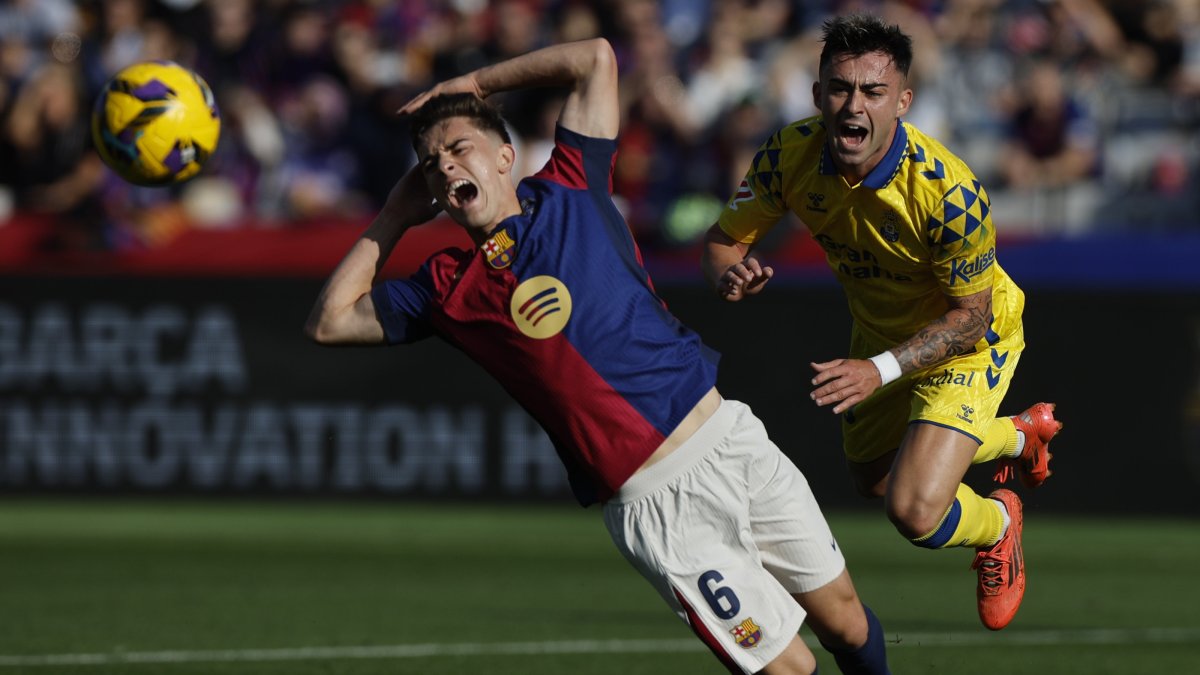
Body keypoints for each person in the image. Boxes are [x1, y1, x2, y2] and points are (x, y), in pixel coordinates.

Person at [306, 38, 890, 675]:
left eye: (457, 149)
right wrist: (393, 213)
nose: (444, 167)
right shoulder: (443, 286)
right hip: (657, 503)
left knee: (847, 621)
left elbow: (596, 58)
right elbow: (328, 323)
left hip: (730, 438)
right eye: (429, 162)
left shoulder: (569, 186)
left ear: (506, 157)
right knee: (790, 671)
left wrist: (474, 84)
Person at [701, 14, 1063, 632]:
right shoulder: (790, 153)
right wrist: (731, 274)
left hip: (969, 339)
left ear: (902, 102)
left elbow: (970, 319)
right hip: (878, 335)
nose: (853, 106)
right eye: (840, 88)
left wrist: (880, 369)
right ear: (817, 95)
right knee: (872, 481)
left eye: (872, 92)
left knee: (914, 510)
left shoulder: (948, 191)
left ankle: (999, 524)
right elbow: (724, 240)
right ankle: (1015, 436)